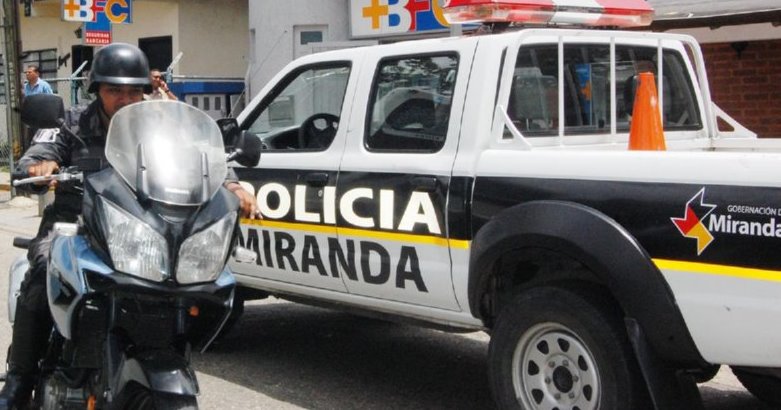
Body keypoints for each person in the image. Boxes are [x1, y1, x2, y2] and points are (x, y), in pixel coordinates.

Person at [0, 43, 258, 409]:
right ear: (97, 91)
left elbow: (204, 157)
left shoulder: (164, 127)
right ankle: (18, 380)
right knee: (42, 271)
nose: (124, 99)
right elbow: (36, 156)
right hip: (74, 226)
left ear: (144, 91)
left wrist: (231, 184)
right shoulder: (71, 123)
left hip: (137, 232)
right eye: (114, 91)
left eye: (133, 91)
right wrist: (40, 169)